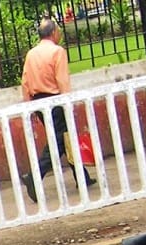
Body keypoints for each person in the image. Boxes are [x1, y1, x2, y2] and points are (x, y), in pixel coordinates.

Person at [19, 17, 95, 203]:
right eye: (58, 31)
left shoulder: (31, 54)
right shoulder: (57, 51)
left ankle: (82, 177)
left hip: (38, 101)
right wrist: (67, 102)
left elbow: (25, 82)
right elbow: (62, 80)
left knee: (65, 136)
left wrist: (30, 107)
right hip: (55, 100)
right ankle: (35, 174)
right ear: (53, 33)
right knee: (60, 141)